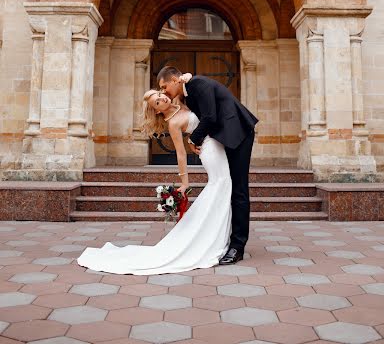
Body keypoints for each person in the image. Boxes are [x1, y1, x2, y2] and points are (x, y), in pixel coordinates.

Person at [76, 89, 232, 274]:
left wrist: (187, 78)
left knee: (223, 185)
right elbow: (181, 154)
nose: (162, 99)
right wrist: (185, 182)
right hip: (208, 150)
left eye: (160, 95)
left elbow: (183, 84)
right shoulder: (173, 123)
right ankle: (212, 238)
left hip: (216, 144)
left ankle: (217, 235)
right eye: (157, 102)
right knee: (221, 183)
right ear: (157, 111)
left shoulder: (178, 101)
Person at [158, 67, 258, 265]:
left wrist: (193, 140)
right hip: (223, 138)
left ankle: (237, 246)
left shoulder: (198, 84)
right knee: (227, 188)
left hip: (239, 134)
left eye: (164, 86)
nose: (163, 92)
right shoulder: (187, 91)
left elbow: (210, 117)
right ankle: (224, 238)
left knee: (238, 190)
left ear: (175, 79)